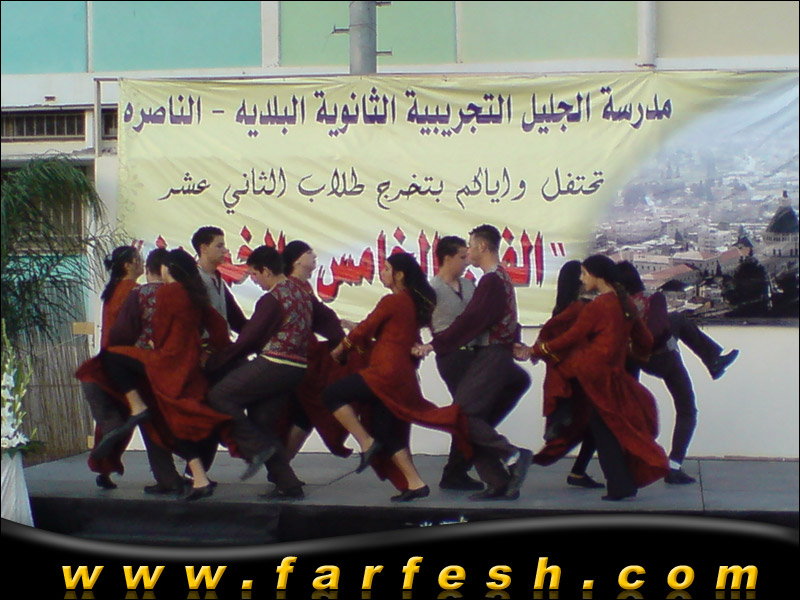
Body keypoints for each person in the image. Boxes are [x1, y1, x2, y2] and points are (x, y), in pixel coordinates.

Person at [323, 252, 472, 502]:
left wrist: (341, 349)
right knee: (387, 431)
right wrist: (355, 329)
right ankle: (415, 483)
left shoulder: (393, 301)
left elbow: (367, 328)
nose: (382, 272)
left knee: (331, 394)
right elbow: (390, 335)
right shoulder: (410, 303)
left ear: (399, 275)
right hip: (400, 374)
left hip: (385, 373)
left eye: (386, 268)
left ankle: (366, 443)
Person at [524, 255, 669, 500]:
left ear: (596, 275)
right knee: (608, 429)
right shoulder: (625, 303)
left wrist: (537, 350)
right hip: (614, 376)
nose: (581, 279)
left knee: (604, 432)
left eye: (584, 273)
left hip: (594, 377)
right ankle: (621, 484)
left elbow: (570, 337)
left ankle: (620, 486)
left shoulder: (598, 306)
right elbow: (645, 339)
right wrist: (636, 354)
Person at [94, 249, 233, 501]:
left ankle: (115, 466)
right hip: (173, 369)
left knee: (151, 421)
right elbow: (217, 329)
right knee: (165, 422)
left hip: (141, 368)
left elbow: (121, 335)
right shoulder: (185, 294)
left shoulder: (126, 292)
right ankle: (184, 476)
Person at [415, 225, 532, 501]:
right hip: (467, 356)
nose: (467, 254)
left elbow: (476, 320)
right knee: (467, 418)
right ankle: (498, 478)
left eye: (470, 247)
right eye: (462, 253)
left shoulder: (485, 282)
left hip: (484, 356)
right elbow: (486, 319)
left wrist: (436, 344)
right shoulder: (438, 288)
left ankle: (506, 462)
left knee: (465, 417)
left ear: (481, 246)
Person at [205, 245, 314, 500]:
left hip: (276, 363)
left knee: (220, 396)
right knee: (262, 421)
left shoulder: (272, 299)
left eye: (254, 274)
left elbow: (249, 339)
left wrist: (217, 361)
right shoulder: (301, 293)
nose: (253, 280)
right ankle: (288, 484)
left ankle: (254, 449)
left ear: (266, 270)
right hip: (297, 368)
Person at [616, 260, 739, 484]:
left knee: (630, 410)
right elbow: (656, 332)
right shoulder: (654, 299)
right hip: (665, 358)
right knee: (687, 410)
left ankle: (629, 462)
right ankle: (674, 465)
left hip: (636, 360)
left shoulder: (618, 308)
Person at [522, 260, 604, 490]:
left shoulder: (562, 309)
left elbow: (549, 336)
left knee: (586, 426)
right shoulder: (581, 309)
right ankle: (578, 471)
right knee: (594, 424)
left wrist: (536, 350)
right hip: (579, 376)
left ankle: (576, 470)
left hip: (563, 375)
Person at [75, 245, 144, 490]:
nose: (142, 263)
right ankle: (105, 463)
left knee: (111, 419)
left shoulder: (113, 290)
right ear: (128, 265)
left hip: (106, 359)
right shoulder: (133, 291)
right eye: (138, 259)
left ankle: (103, 466)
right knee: (130, 415)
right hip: (124, 361)